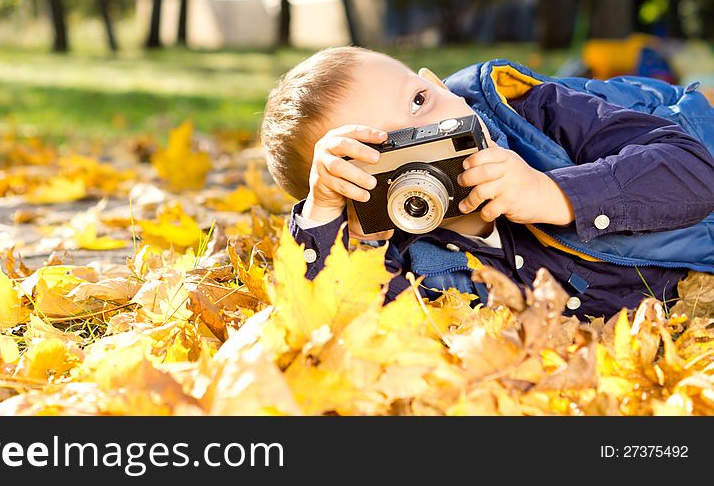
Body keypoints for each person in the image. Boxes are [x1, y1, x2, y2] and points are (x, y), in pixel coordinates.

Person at [259, 45, 714, 319]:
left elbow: (693, 170)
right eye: (384, 154)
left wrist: (550, 194)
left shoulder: (535, 114)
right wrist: (329, 220)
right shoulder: (412, 258)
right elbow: (343, 323)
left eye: (421, 101)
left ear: (441, 85)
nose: (430, 138)